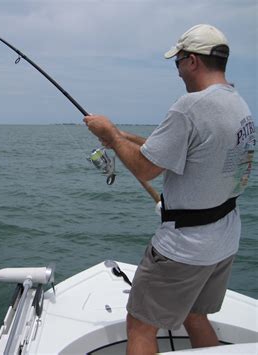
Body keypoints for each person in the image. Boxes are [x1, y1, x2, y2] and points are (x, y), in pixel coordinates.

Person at [83, 24, 255, 355]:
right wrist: (120, 136)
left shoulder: (190, 106)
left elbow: (147, 168)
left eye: (177, 62)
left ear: (192, 61)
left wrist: (110, 134)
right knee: (195, 314)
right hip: (224, 237)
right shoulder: (239, 106)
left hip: (185, 248)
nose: (177, 72)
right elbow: (182, 153)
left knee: (141, 325)